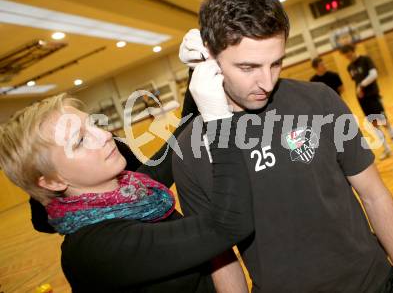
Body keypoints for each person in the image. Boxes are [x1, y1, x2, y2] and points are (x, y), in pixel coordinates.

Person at [174, 0, 393, 292]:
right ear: (208, 58)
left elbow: (375, 195)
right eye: (248, 67)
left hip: (374, 284)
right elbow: (222, 259)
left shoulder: (318, 100)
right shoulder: (189, 152)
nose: (266, 81)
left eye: (275, 63)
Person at [0, 88, 254, 292]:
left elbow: (177, 141)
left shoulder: (132, 194)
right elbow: (229, 224)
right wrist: (218, 122)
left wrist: (197, 69)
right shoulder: (95, 250)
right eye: (79, 140)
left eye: (93, 125)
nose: (104, 136)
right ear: (53, 182)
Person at [340, 43, 393, 162]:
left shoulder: (366, 60)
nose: (347, 57)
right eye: (345, 55)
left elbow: (373, 75)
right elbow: (356, 80)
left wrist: (361, 85)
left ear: (352, 50)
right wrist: (358, 89)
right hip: (362, 99)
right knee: (374, 124)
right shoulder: (349, 67)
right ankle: (386, 149)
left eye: (348, 53)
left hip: (372, 96)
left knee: (385, 123)